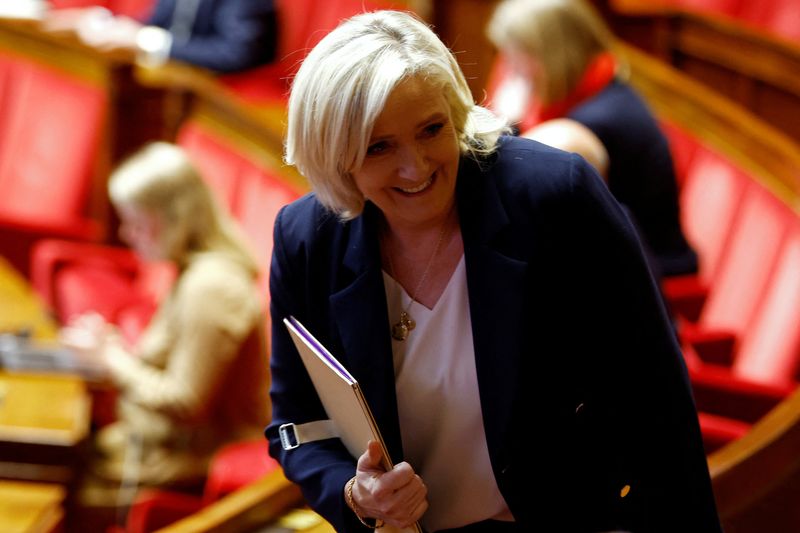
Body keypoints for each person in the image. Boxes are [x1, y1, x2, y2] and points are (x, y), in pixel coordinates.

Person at [265, 9, 720, 533]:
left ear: (455, 113)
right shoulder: (306, 239)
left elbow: (654, 395)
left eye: (431, 129)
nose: (416, 167)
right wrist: (352, 491)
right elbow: (295, 423)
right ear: (336, 157)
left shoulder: (554, 196)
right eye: (380, 147)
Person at [60, 142, 270, 511]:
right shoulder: (191, 270)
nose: (127, 234)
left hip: (191, 462)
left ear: (177, 218)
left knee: (53, 487)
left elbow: (185, 401)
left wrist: (112, 360)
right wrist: (106, 345)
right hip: (157, 444)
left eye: (137, 223)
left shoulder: (211, 287)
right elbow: (163, 359)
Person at [486, 0, 698, 278]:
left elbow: (528, 198)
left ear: (551, 54)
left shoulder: (593, 125)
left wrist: (506, 120)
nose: (513, 72)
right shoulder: (601, 90)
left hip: (651, 273)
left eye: (517, 59)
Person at [42, 0, 277, 72]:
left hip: (222, 90)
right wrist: (104, 22)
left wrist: (148, 40)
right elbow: (153, 25)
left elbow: (236, 53)